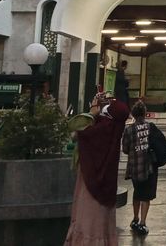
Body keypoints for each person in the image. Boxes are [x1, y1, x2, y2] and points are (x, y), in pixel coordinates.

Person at [65, 92, 130, 245]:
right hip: (108, 185)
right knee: (101, 222)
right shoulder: (114, 130)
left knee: (88, 218)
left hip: (90, 182)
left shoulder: (102, 128)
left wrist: (92, 113)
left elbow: (77, 133)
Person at [122, 100, 158, 236]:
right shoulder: (150, 128)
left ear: (133, 114)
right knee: (146, 195)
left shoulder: (128, 130)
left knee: (137, 192)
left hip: (134, 166)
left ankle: (135, 218)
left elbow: (125, 149)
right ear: (145, 113)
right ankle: (143, 222)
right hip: (147, 166)